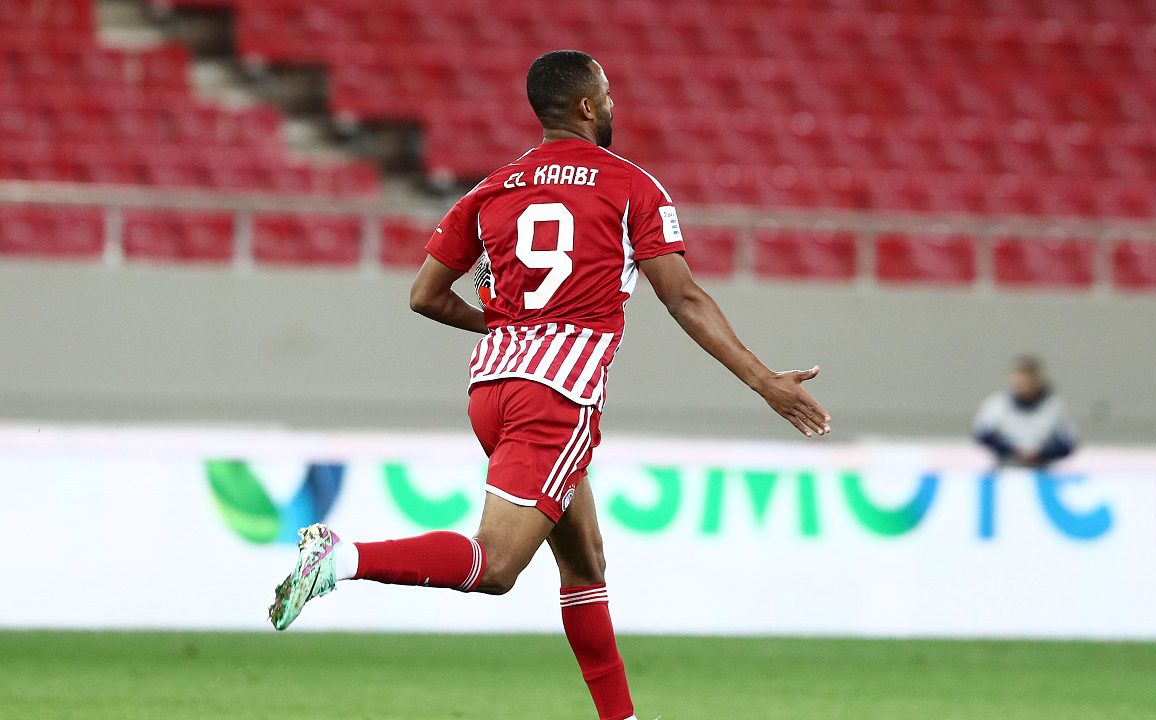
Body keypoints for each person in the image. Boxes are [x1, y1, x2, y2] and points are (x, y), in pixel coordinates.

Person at [267, 50, 830, 720]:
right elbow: (683, 299)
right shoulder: (631, 186)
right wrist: (765, 381)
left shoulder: (494, 188)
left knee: (585, 563)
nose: (614, 103)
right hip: (556, 396)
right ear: (587, 107)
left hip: (492, 388)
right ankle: (342, 558)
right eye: (608, 93)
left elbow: (424, 295)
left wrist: (507, 326)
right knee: (496, 566)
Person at [973, 355, 1077, 468]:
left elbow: (1067, 443)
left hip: (1044, 468)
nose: (1025, 387)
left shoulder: (1055, 408)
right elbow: (982, 436)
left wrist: (1041, 454)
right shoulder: (997, 405)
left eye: (1029, 382)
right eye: (1020, 382)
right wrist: (1013, 451)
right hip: (1005, 467)